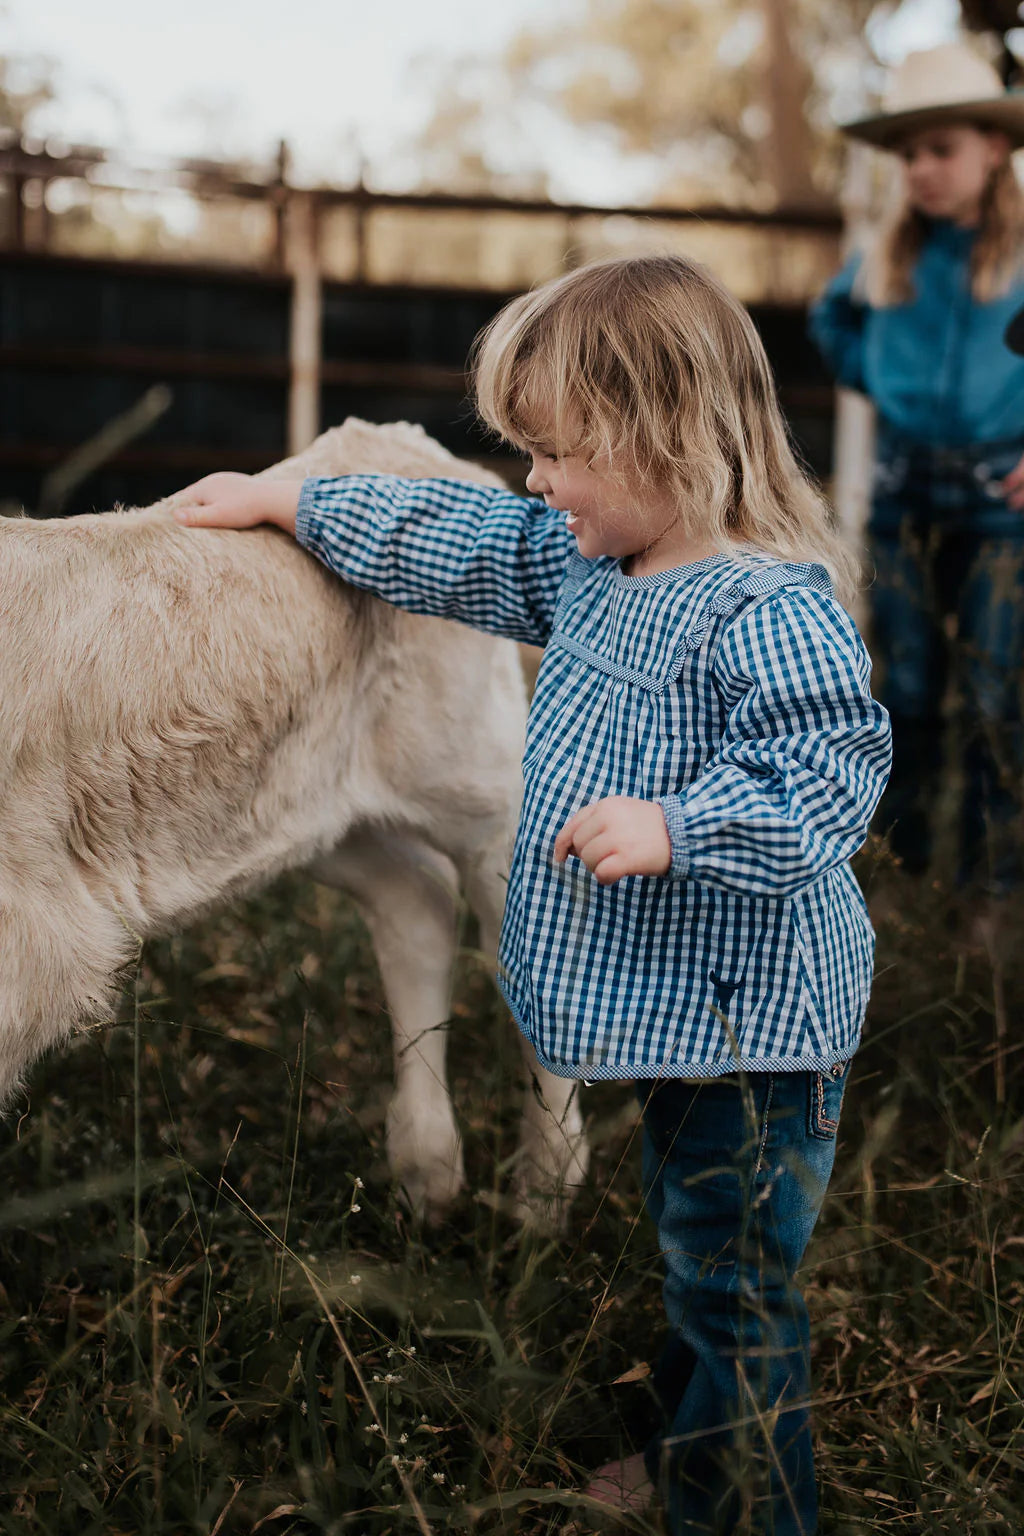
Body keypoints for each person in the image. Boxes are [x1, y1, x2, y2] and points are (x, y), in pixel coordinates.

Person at [171, 254, 891, 1535]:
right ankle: (692, 1453)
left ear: (659, 439)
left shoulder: (767, 608)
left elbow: (828, 773)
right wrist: (294, 495)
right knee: (701, 1254)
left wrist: (683, 823)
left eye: (554, 453)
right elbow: (450, 539)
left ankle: (749, 1506)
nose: (535, 482)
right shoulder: (583, 569)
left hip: (759, 1030)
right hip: (684, 1019)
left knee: (736, 1286)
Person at [810, 42, 1024, 897]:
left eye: (941, 150)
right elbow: (834, 325)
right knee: (901, 689)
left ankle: (987, 889)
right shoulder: (885, 256)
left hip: (1000, 507)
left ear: (995, 148)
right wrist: (884, 382)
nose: (922, 171)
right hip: (901, 496)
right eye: (908, 156)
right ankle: (896, 871)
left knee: (992, 693)